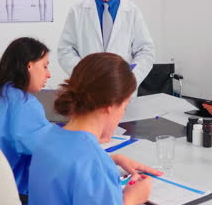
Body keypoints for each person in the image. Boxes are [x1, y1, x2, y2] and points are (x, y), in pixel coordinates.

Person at [29, 53, 162, 205]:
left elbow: (68, 168)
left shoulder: (47, 137)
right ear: (109, 107)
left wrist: (110, 160)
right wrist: (132, 199)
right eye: (124, 107)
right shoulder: (93, 162)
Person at [0, 37, 54, 202]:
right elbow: (50, 150)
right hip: (13, 191)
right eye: (45, 66)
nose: (48, 74)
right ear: (29, 65)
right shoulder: (25, 104)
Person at [57, 0, 155, 86]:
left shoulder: (132, 12)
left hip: (121, 90)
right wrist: (85, 74)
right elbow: (65, 50)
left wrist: (130, 77)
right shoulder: (77, 10)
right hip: (88, 86)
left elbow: (145, 50)